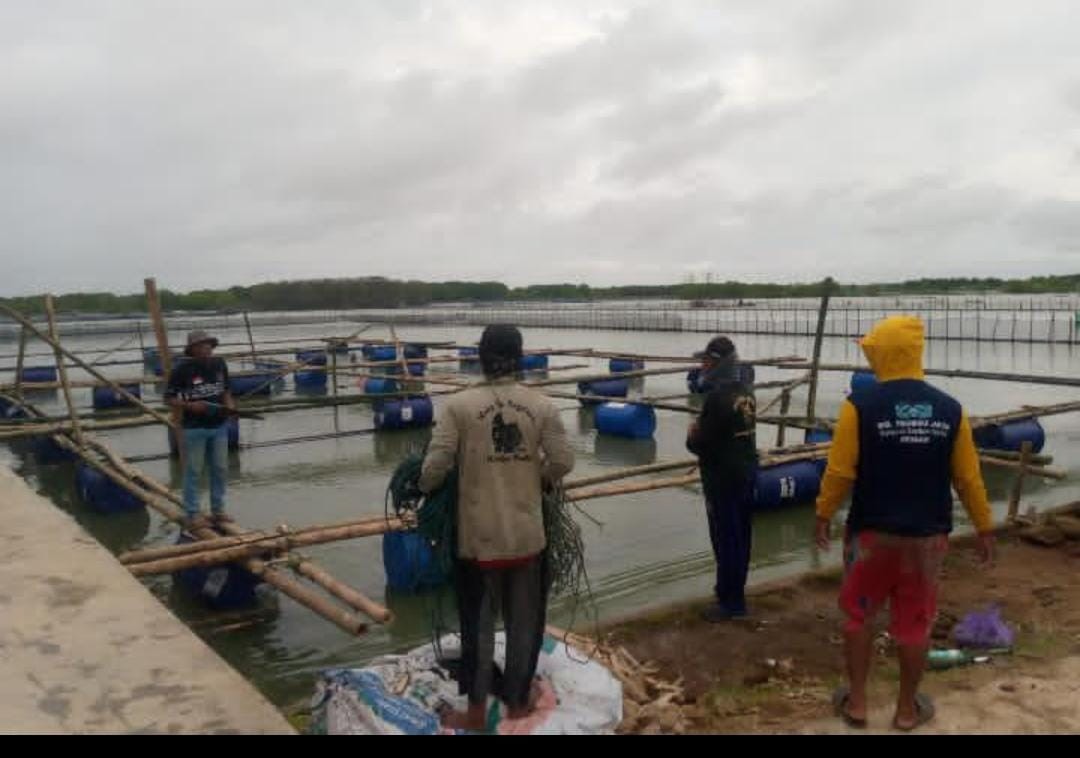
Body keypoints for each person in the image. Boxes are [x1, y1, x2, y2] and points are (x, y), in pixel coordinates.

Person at [815, 315, 994, 731]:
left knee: (859, 616)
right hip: (927, 539)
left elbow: (840, 471)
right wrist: (985, 527)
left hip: (872, 536)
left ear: (882, 353)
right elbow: (968, 478)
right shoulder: (951, 409)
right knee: (914, 624)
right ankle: (907, 710)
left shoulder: (859, 406)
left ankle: (857, 704)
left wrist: (823, 514)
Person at [419, 324, 574, 731]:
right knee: (525, 625)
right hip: (527, 538)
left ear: (481, 358)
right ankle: (519, 705)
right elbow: (562, 461)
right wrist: (536, 478)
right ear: (520, 357)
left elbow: (435, 466)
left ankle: (473, 714)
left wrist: (423, 487)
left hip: (478, 543)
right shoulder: (541, 406)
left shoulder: (458, 406)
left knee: (478, 628)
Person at [686, 336, 758, 622]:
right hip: (746, 471)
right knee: (741, 537)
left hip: (722, 478)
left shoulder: (716, 399)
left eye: (707, 361)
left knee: (726, 538)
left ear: (718, 364)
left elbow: (701, 444)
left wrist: (692, 434)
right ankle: (731, 591)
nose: (702, 366)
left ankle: (731, 602)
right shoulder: (746, 392)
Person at [165, 330, 236, 529]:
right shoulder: (181, 369)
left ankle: (218, 510)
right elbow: (169, 398)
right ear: (192, 349)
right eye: (201, 345)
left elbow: (226, 390)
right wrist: (189, 406)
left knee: (220, 469)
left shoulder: (219, 364)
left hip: (219, 426)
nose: (206, 348)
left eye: (208, 345)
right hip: (194, 428)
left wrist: (230, 406)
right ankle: (192, 513)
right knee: (194, 471)